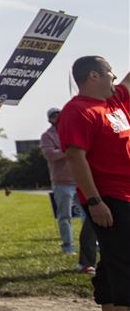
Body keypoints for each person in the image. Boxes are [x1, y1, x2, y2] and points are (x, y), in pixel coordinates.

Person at [57, 55, 130, 311]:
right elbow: (76, 157)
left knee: (112, 260)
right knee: (124, 263)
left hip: (125, 194)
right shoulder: (77, 111)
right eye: (109, 74)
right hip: (107, 197)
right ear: (93, 76)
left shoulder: (115, 101)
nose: (115, 79)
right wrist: (95, 200)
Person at [42, 106, 98, 274]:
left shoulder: (72, 129)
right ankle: (68, 246)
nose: (57, 117)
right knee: (64, 216)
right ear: (50, 119)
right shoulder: (47, 135)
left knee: (87, 215)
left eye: (59, 115)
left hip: (80, 180)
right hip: (62, 182)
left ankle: (92, 245)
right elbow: (50, 155)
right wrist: (71, 150)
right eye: (54, 116)